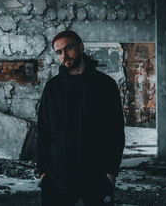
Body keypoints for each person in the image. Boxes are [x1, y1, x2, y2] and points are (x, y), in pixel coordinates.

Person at [37, 30, 125, 206]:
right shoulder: (52, 88)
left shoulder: (105, 86)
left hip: (96, 177)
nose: (64, 55)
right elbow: (42, 132)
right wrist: (43, 173)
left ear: (80, 47)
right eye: (59, 52)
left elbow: (116, 131)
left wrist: (110, 172)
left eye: (68, 48)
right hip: (57, 177)